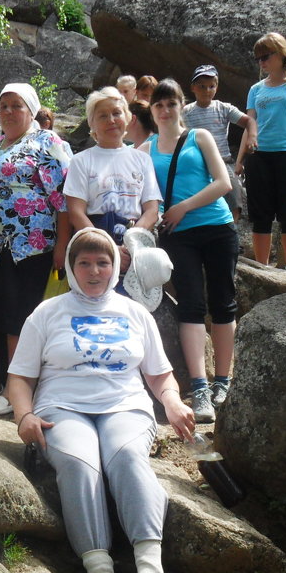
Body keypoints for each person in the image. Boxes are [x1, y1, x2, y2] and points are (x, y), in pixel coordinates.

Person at [8, 227, 196, 573]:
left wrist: (174, 402)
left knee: (127, 457)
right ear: (72, 268)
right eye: (84, 263)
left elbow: (161, 376)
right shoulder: (47, 313)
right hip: (62, 406)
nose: (94, 271)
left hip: (124, 405)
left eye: (102, 262)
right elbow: (19, 379)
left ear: (115, 266)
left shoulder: (135, 313)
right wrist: (24, 416)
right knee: (79, 463)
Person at [0, 82, 73, 416]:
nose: (9, 112)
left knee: (17, 319)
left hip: (27, 243)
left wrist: (63, 243)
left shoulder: (47, 142)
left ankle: (16, 393)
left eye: (16, 106)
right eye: (3, 106)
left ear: (31, 110)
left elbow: (64, 198)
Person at [140, 78, 236, 423]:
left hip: (217, 227)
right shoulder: (146, 149)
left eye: (171, 104)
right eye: (159, 105)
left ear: (182, 106)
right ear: (151, 110)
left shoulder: (200, 137)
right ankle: (199, 386)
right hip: (177, 237)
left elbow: (223, 183)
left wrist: (183, 207)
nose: (165, 111)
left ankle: (223, 380)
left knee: (223, 301)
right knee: (191, 304)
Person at [235, 32, 286, 270]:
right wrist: (240, 159)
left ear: (281, 54)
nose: (261, 62)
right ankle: (262, 268)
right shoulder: (255, 89)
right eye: (258, 58)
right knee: (261, 215)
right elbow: (250, 126)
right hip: (258, 156)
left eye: (266, 56)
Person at [65, 87, 160, 274]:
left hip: (135, 239)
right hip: (94, 239)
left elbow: (151, 210)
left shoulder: (142, 159)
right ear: (91, 123)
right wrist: (107, 247)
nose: (111, 120)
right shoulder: (81, 161)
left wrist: (130, 242)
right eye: (102, 116)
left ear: (128, 118)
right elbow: (76, 212)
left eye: (117, 113)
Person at [182, 64, 256, 219]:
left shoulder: (223, 108)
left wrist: (252, 137)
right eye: (202, 86)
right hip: (197, 163)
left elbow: (249, 122)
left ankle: (232, 229)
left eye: (211, 86)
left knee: (234, 196)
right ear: (193, 88)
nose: (207, 91)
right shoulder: (186, 112)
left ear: (217, 87)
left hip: (223, 161)